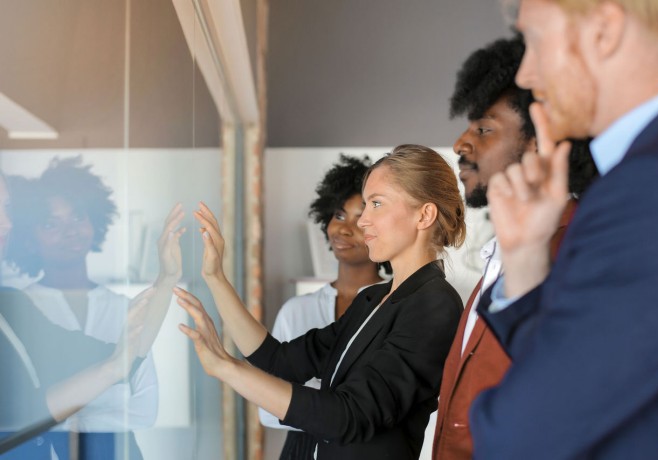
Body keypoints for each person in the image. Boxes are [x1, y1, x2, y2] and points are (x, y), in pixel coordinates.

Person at [469, 0, 658, 458]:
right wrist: (525, 258)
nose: (526, 74)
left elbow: (522, 432)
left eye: (534, 41)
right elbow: (585, 374)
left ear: (604, 30)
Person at [177, 144, 466, 459]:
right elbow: (280, 361)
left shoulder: (435, 305)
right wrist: (216, 278)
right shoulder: (372, 300)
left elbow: (350, 415)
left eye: (376, 204)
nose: (363, 221)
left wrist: (227, 368)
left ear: (424, 215)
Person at [432, 34, 597, 460]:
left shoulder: (580, 251)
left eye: (484, 129)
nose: (460, 143)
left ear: (538, 141)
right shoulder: (499, 254)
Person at [4, 157, 184, 459]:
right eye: (50, 223)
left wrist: (167, 280)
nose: (70, 231)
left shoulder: (121, 306)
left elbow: (142, 405)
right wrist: (99, 392)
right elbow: (24, 414)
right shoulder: (20, 310)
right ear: (29, 238)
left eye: (78, 217)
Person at [259, 154, 387, 460]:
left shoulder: (394, 306)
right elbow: (267, 409)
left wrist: (300, 398)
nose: (344, 229)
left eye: (359, 218)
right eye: (339, 215)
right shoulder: (296, 310)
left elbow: (385, 407)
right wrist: (339, 402)